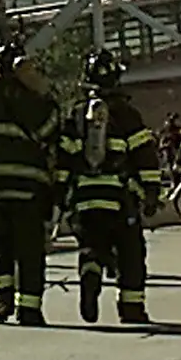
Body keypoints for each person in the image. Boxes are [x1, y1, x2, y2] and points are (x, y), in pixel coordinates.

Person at [54, 50, 154, 326]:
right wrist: (152, 192)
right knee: (130, 251)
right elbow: (145, 156)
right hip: (121, 197)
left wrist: (61, 194)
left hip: (85, 199)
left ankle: (90, 275)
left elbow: (64, 157)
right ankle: (131, 308)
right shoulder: (127, 115)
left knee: (91, 247)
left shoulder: (75, 115)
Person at [0, 42, 57, 325]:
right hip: (27, 187)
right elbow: (50, 129)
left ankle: (3, 301)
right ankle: (29, 308)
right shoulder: (31, 100)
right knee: (29, 248)